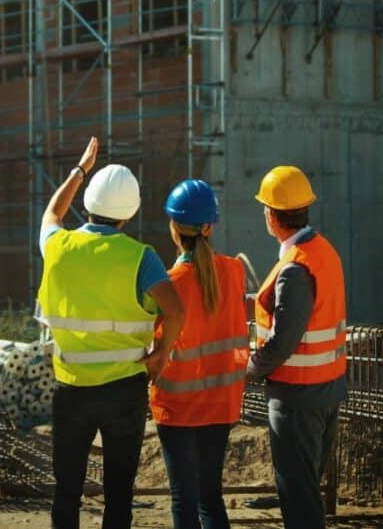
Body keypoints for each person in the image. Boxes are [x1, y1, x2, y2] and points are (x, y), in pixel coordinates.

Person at [37, 137, 185, 529]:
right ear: (130, 212)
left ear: (88, 204)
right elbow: (175, 310)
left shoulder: (58, 246)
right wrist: (161, 356)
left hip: (71, 389)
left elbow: (52, 211)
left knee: (66, 491)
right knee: (119, 496)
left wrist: (80, 170)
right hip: (124, 390)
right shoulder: (141, 257)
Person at [247, 165, 347, 529]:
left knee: (300, 499)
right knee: (307, 491)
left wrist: (248, 370)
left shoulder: (295, 267)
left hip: (297, 398)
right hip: (326, 390)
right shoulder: (323, 251)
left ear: (272, 216)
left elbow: (281, 343)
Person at [149, 180, 249, 529]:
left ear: (174, 228)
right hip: (221, 402)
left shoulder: (169, 282)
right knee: (211, 498)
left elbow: (157, 341)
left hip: (178, 408)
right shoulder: (234, 272)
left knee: (184, 500)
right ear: (209, 227)